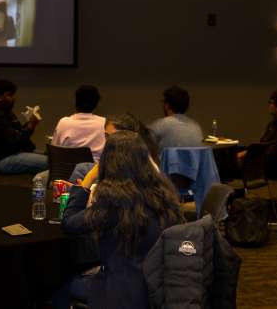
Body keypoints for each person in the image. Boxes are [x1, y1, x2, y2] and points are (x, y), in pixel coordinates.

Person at [53, 131, 184, 309]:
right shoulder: (163, 195)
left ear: (109, 162)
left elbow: (69, 223)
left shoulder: (115, 201)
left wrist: (88, 179)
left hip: (122, 293)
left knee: (58, 284)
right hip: (161, 288)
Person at [0, 79, 47, 174]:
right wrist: (30, 125)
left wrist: (31, 124)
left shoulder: (5, 113)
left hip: (13, 154)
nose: (13, 98)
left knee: (53, 158)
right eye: (10, 95)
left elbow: (19, 134)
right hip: (3, 160)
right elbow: (17, 139)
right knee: (51, 163)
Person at [237, 89, 277, 178]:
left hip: (270, 169)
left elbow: (268, 153)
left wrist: (242, 156)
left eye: (271, 102)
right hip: (266, 164)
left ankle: (231, 191)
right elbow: (262, 146)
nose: (268, 105)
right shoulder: (276, 123)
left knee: (222, 167)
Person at [52, 85, 106, 162]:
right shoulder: (104, 123)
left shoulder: (63, 122)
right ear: (96, 104)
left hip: (65, 171)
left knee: (40, 174)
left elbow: (54, 150)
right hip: (92, 172)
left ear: (76, 102)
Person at [149, 86, 203, 150]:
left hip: (168, 160)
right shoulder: (196, 126)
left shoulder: (161, 125)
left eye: (163, 102)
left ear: (167, 105)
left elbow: (142, 143)